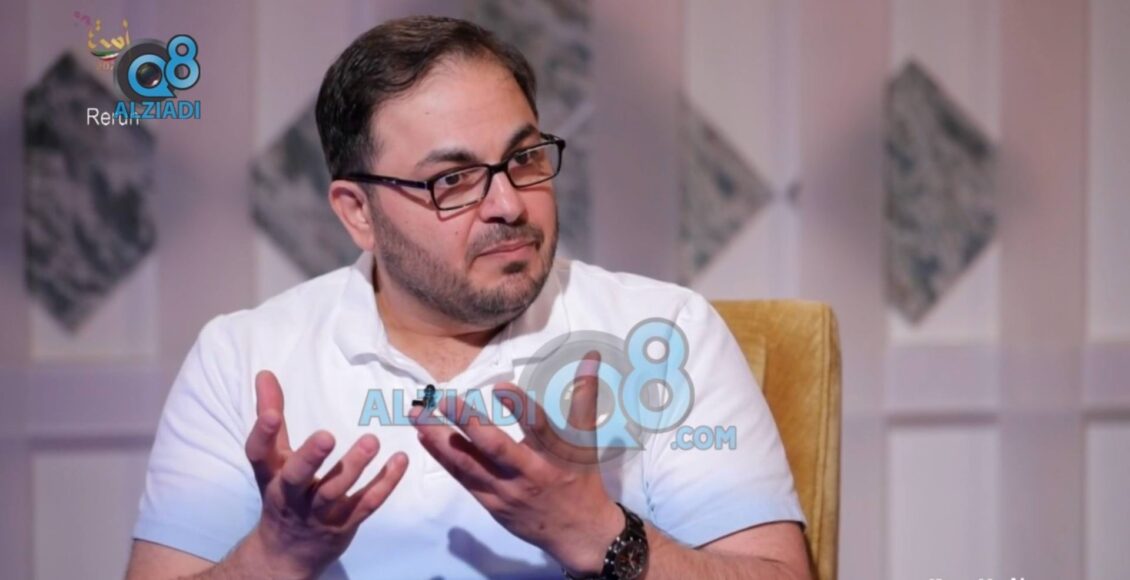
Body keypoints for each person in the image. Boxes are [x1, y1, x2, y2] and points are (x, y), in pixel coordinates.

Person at [125, 15, 810, 580]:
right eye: (452, 180)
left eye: (525, 158)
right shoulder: (243, 359)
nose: (509, 204)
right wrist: (273, 559)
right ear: (358, 212)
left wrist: (597, 532)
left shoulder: (662, 332)